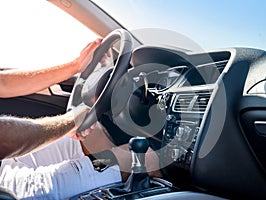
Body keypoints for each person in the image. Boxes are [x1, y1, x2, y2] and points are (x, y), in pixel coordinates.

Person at [0, 38, 161, 199]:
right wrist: (70, 121)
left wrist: (77, 65)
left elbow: (3, 84)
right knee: (144, 159)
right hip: (12, 187)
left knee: (90, 136)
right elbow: (3, 139)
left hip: (7, 163)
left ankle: (101, 170)